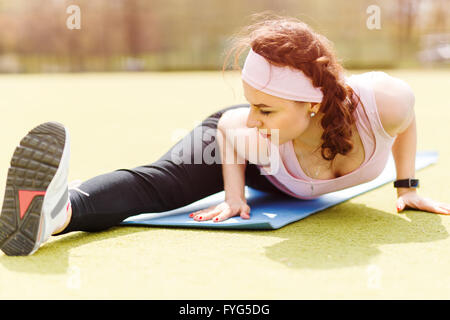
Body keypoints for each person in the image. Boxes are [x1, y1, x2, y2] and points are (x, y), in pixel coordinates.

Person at [1, 13, 449, 256]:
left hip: (281, 153)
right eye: (251, 102)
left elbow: (406, 123)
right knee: (163, 183)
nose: (254, 117)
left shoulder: (384, 102)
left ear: (311, 103)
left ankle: (57, 201)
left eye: (266, 108)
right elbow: (236, 128)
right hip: (233, 147)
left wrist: (406, 185)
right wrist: (235, 196)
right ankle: (54, 213)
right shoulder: (246, 126)